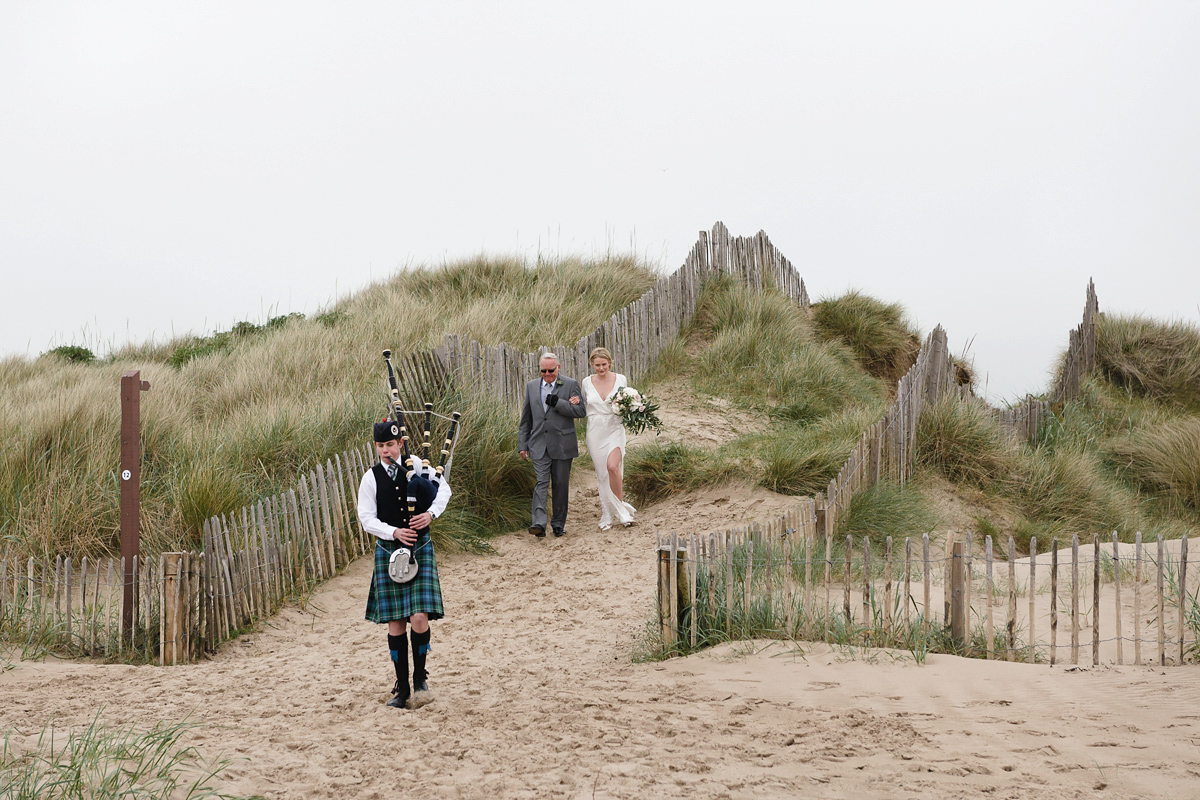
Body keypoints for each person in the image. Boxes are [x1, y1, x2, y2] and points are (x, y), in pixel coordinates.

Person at [358, 419, 451, 710]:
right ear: (376, 447)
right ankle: (402, 687)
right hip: (389, 550)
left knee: (419, 618)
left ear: (400, 444)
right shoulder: (370, 477)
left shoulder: (419, 466)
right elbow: (366, 518)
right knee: (396, 622)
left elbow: (444, 491)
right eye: (380, 446)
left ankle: (420, 677)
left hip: (420, 547)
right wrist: (394, 532)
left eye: (390, 445)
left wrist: (431, 515)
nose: (386, 450)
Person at [518, 351, 586, 537]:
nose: (547, 374)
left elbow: (580, 411)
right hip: (538, 443)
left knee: (560, 484)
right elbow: (526, 418)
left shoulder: (570, 384)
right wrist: (522, 445)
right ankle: (539, 524)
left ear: (558, 368)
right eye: (543, 371)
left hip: (563, 443)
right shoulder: (531, 386)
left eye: (551, 370)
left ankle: (558, 524)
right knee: (540, 483)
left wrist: (559, 402)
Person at [581, 347, 636, 530]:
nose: (601, 368)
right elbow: (583, 405)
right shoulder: (586, 382)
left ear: (610, 363)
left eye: (604, 364)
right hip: (595, 430)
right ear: (592, 365)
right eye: (597, 365)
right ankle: (608, 514)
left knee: (613, 467)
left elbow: (628, 401)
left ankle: (621, 510)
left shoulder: (621, 379)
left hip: (614, 427)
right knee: (602, 474)